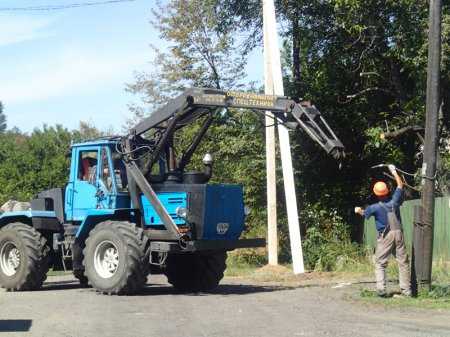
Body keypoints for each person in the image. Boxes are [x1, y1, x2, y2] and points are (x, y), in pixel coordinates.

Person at [354, 164, 411, 297]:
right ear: (387, 191)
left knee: (380, 263)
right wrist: (393, 171)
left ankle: (381, 289)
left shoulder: (374, 208)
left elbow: (364, 213)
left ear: (376, 193)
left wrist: (358, 210)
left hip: (385, 236)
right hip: (399, 233)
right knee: (403, 262)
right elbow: (400, 185)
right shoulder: (395, 201)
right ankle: (406, 290)